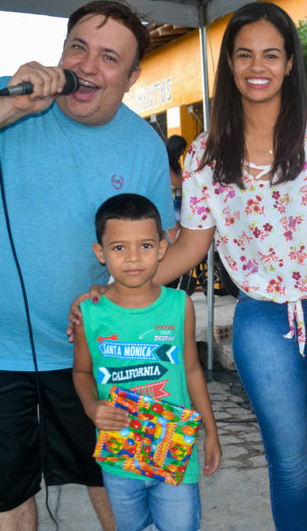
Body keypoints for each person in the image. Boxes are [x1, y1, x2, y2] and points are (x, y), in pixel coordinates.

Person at [68, 1, 307, 530]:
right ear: (230, 65)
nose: (257, 67)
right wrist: (114, 289)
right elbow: (191, 246)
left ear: (290, 63)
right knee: (288, 461)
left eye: (271, 54)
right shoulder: (203, 154)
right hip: (263, 320)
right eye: (243, 55)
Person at [0, 0, 174, 531]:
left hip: (89, 346)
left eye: (109, 58)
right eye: (78, 48)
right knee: (8, 494)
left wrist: (118, 300)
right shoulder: (4, 96)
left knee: (116, 480)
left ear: (133, 76)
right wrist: (10, 107)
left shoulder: (143, 145)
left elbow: (153, 246)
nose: (86, 66)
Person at [73, 193, 221, 531]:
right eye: (119, 248)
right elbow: (81, 372)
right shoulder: (89, 312)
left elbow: (192, 370)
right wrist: (91, 406)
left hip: (174, 449)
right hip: (119, 456)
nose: (133, 258)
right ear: (101, 253)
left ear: (162, 247)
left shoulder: (179, 305)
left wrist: (211, 431)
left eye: (145, 246)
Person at [166, 134, 188, 244]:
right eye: (182, 150)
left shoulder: (174, 164)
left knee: (178, 238)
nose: (182, 153)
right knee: (176, 240)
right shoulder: (166, 163)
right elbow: (176, 181)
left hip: (177, 202)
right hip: (172, 203)